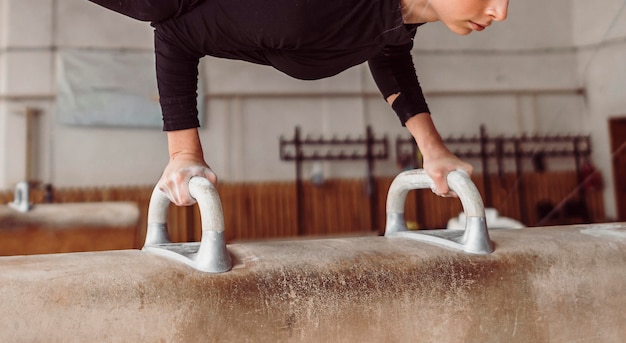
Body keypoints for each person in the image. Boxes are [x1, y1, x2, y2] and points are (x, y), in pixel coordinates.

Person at [88, 0, 509, 206]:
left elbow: (390, 55)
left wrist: (433, 150)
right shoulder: (307, 9)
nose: (501, 11)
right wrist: (183, 154)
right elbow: (176, 34)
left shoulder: (392, 15)